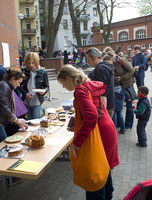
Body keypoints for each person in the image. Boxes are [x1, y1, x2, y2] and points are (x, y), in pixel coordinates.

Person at [57, 65, 119, 200]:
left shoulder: (80, 90)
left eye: (62, 83)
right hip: (107, 128)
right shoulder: (88, 85)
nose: (63, 87)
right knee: (103, 169)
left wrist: (77, 142)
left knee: (95, 176)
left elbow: (91, 116)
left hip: (100, 132)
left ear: (68, 78)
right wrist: (77, 119)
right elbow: (95, 107)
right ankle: (108, 196)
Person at [0, 68, 28, 190]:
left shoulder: (4, 85)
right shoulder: (3, 86)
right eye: (19, 82)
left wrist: (17, 122)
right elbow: (4, 108)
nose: (19, 85)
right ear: (13, 79)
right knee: (6, 152)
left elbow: (6, 109)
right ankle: (11, 179)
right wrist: (17, 120)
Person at [86, 47, 115, 118]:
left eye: (88, 59)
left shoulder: (100, 69)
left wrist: (101, 113)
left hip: (106, 107)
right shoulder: (106, 65)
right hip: (110, 103)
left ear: (94, 57)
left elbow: (102, 93)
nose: (88, 62)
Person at [20, 52, 49, 120]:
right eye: (29, 63)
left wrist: (44, 91)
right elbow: (18, 86)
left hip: (37, 100)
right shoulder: (23, 72)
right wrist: (25, 93)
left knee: (36, 121)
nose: (31, 65)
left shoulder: (43, 72)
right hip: (26, 101)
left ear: (36, 62)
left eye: (33, 63)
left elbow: (46, 86)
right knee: (29, 121)